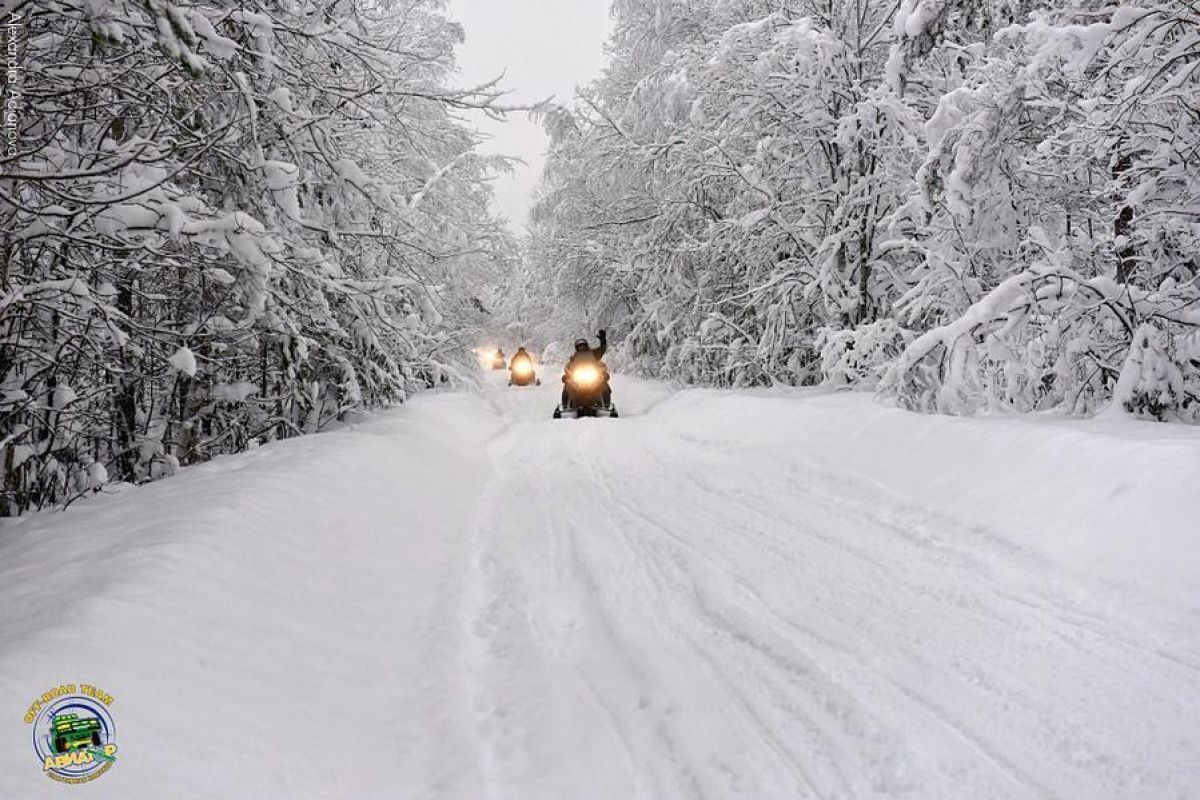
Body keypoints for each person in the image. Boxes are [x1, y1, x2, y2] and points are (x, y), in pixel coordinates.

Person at [562, 330, 610, 407]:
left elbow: (602, 350)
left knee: (603, 383)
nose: (582, 348)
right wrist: (567, 374)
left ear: (586, 346)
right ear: (577, 348)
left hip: (592, 375)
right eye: (580, 346)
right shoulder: (574, 357)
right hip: (578, 377)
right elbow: (569, 366)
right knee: (568, 384)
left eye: (583, 346)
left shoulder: (594, 354)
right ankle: (565, 404)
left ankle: (606, 403)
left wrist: (603, 341)